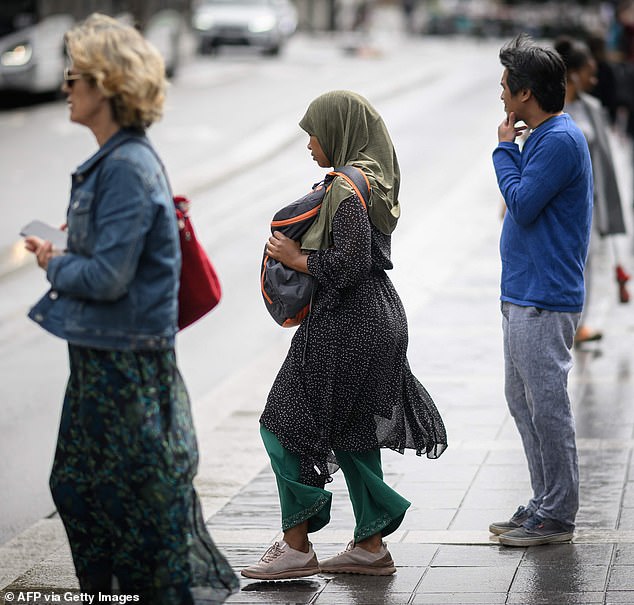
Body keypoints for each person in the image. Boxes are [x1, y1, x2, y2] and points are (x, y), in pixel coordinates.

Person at [23, 14, 238, 603]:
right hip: (105, 358)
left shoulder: (124, 167)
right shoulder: (116, 162)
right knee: (91, 493)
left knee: (129, 505)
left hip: (124, 367)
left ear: (106, 86)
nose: (66, 87)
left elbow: (109, 277)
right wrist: (69, 246)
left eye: (75, 78)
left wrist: (53, 262)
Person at [242, 90, 447, 580]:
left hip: (347, 324)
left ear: (337, 131)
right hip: (378, 318)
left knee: (281, 422)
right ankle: (370, 546)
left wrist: (297, 260)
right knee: (353, 432)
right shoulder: (372, 181)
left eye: (314, 133)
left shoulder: (343, 189)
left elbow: (351, 263)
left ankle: (296, 543)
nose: (311, 144)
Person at [489, 34, 593, 547]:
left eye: (506, 88)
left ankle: (559, 513)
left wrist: (504, 150)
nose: (502, 98)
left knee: (547, 404)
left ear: (526, 93)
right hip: (523, 291)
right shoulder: (546, 136)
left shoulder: (559, 141)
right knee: (522, 400)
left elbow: (523, 204)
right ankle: (544, 500)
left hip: (544, 296)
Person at [555, 36, 628, 345]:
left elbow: (603, 160)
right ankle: (559, 322)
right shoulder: (550, 108)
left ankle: (579, 324)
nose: (595, 79)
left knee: (586, 262)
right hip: (557, 202)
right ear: (573, 74)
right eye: (589, 72)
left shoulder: (593, 107)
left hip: (589, 200)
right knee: (562, 264)